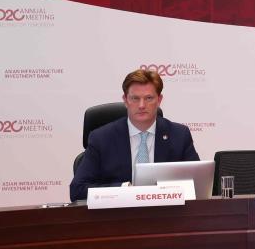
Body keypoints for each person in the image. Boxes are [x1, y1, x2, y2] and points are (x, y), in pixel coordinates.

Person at [70, 69, 200, 201]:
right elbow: (77, 190)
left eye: (149, 98)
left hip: (167, 211)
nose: (142, 105)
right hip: (118, 212)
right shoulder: (101, 138)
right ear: (125, 100)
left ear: (159, 100)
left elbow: (198, 185)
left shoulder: (179, 135)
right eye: (135, 98)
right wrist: (124, 189)